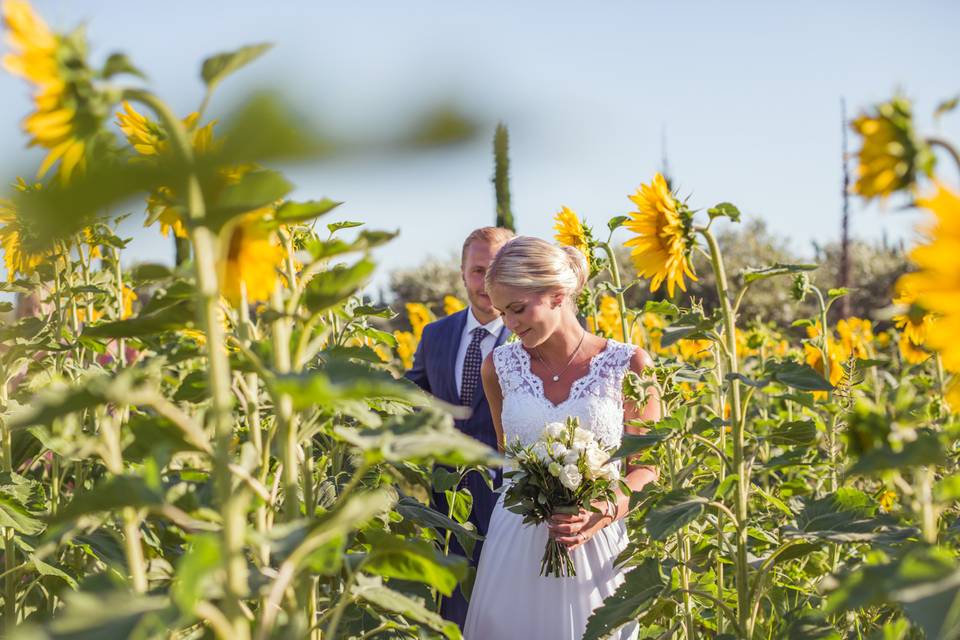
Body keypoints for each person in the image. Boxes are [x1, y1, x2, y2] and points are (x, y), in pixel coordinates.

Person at [463, 236, 660, 640]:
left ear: (558, 293)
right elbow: (509, 457)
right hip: (513, 545)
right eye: (502, 313)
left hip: (597, 543)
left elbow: (647, 469)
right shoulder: (496, 367)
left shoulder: (629, 363)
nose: (511, 325)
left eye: (518, 309)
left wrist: (602, 511)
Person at [405, 226, 515, 628]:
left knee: (508, 613)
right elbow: (411, 396)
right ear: (462, 273)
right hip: (447, 502)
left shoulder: (531, 337)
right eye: (477, 270)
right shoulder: (436, 334)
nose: (485, 282)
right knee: (454, 612)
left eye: (496, 270)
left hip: (513, 499)